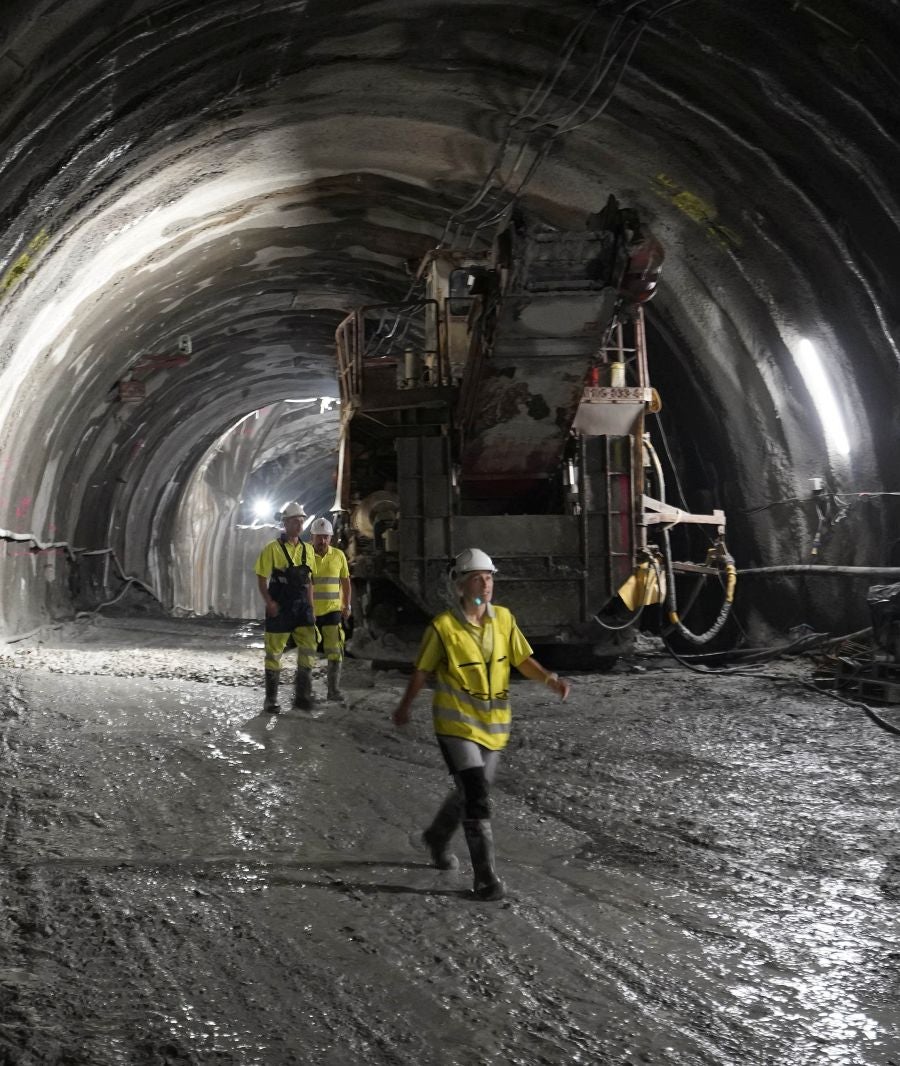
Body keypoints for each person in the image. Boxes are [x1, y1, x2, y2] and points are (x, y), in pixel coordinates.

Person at [392, 548, 570, 901]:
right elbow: (423, 670)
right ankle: (486, 879)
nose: (485, 584)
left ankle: (437, 836)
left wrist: (549, 679)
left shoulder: (503, 619)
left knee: (471, 791)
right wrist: (405, 706)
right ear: (460, 586)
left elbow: (522, 658)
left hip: (494, 726)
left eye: (489, 577)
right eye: (477, 578)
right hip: (456, 724)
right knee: (476, 794)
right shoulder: (442, 628)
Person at [253, 501, 317, 712]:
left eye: (301, 521)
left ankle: (302, 697)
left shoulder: (308, 550)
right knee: (274, 653)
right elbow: (262, 577)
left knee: (308, 649)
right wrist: (269, 602)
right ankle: (270, 700)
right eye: (295, 521)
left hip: (301, 606)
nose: (299, 526)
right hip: (280, 605)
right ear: (285, 523)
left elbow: (309, 581)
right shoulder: (272, 549)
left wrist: (311, 607)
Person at [309, 516, 352, 702]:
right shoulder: (305, 556)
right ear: (312, 537)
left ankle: (333, 690)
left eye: (326, 537)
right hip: (310, 613)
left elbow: (346, 582)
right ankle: (306, 691)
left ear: (331, 538)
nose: (322, 540)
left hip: (332, 611)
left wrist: (346, 604)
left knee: (335, 650)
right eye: (319, 537)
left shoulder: (339, 556)